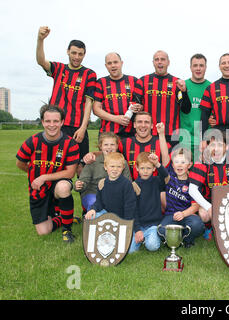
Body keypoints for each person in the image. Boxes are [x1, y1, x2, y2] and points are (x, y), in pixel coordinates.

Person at [16, 104, 80, 243]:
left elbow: (70, 173)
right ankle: (64, 216)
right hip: (38, 190)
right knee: (44, 232)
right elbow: (20, 163)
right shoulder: (33, 141)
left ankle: (66, 229)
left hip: (58, 184)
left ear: (62, 122)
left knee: (63, 187)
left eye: (56, 121)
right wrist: (34, 174)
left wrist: (44, 177)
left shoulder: (70, 143)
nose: (52, 125)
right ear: (43, 122)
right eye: (48, 121)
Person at [36, 26, 97, 169]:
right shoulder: (58, 68)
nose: (76, 57)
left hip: (77, 127)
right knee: (55, 165)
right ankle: (58, 191)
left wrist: (83, 127)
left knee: (82, 167)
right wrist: (40, 40)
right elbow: (41, 61)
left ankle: (85, 192)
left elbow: (89, 103)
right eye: (74, 53)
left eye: (80, 54)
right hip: (57, 126)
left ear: (84, 55)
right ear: (68, 51)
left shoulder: (89, 74)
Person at [189, 129, 229, 240]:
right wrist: (208, 207)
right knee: (204, 214)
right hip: (211, 202)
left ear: (227, 147)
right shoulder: (202, 160)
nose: (216, 149)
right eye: (213, 145)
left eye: (220, 145)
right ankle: (209, 228)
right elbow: (192, 189)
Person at [140, 50, 191, 145]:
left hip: (171, 135)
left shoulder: (177, 83)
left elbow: (186, 110)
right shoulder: (143, 81)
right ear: (153, 63)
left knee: (169, 160)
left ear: (168, 62)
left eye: (163, 59)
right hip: (148, 133)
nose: (159, 62)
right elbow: (137, 107)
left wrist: (184, 92)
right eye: (157, 59)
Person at [74, 132, 131, 216]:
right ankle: (94, 220)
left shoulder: (123, 162)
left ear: (117, 146)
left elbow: (128, 182)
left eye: (112, 144)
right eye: (106, 144)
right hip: (93, 193)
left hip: (115, 195)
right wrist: (79, 185)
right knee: (94, 203)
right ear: (101, 146)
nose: (109, 147)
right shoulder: (93, 162)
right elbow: (83, 180)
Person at [159, 148, 204, 248]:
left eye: (183, 162)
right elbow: (164, 156)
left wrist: (183, 214)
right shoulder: (169, 177)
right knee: (161, 231)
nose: (179, 164)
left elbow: (195, 206)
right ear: (172, 164)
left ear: (189, 165)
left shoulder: (193, 182)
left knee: (197, 225)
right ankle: (177, 238)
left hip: (187, 215)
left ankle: (187, 239)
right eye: (176, 162)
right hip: (171, 215)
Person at [93, 52, 144, 139]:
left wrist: (140, 107)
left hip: (131, 133)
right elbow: (96, 109)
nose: (113, 65)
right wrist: (115, 118)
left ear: (121, 63)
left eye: (115, 62)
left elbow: (141, 104)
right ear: (106, 66)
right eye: (109, 63)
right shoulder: (101, 82)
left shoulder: (134, 81)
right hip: (108, 134)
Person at [128, 152, 170, 253]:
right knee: (130, 251)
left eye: (148, 168)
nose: (145, 171)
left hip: (153, 225)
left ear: (153, 169)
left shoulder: (156, 182)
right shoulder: (134, 185)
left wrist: (157, 163)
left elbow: (166, 176)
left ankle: (151, 237)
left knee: (152, 246)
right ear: (137, 168)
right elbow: (133, 210)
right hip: (139, 225)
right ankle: (141, 236)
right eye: (142, 168)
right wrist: (137, 229)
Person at [85, 152, 137, 221]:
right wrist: (93, 209)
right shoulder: (102, 183)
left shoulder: (126, 184)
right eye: (112, 166)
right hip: (107, 213)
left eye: (119, 166)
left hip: (122, 216)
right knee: (91, 217)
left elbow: (130, 205)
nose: (115, 169)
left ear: (123, 167)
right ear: (105, 167)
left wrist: (127, 222)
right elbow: (99, 202)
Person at [119, 112, 170, 180]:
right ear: (134, 125)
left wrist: (161, 133)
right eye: (139, 122)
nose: (143, 125)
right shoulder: (124, 143)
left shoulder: (162, 143)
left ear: (152, 125)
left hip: (155, 188)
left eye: (146, 122)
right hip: (131, 188)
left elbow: (166, 166)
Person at [180, 54, 211, 159]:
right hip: (185, 139)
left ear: (206, 67)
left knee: (202, 174)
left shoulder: (212, 87)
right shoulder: (182, 86)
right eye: (195, 65)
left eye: (201, 65)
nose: (198, 68)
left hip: (205, 141)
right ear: (190, 67)